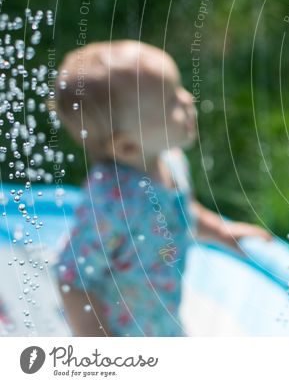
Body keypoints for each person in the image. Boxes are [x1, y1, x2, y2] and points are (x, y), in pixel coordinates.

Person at [52, 40, 270, 336]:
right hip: (122, 331)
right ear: (128, 145)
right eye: (171, 102)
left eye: (178, 89)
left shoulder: (171, 161)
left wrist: (220, 231)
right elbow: (72, 277)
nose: (188, 99)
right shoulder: (110, 204)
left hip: (161, 317)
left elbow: (180, 212)